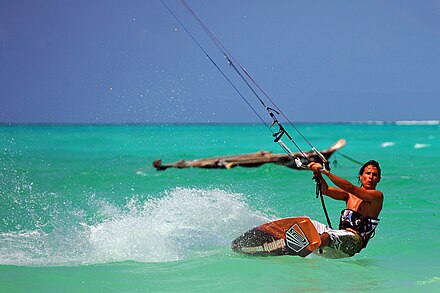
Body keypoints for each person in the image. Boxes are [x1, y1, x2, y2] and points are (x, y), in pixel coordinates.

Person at [307, 160, 383, 257]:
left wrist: (325, 171)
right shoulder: (349, 196)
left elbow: (350, 188)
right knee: (307, 224)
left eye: (375, 175)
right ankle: (283, 240)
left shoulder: (377, 196)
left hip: (353, 242)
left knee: (326, 236)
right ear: (361, 176)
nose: (371, 177)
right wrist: (318, 174)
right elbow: (325, 190)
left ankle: (302, 249)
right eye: (368, 173)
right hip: (339, 236)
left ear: (379, 179)